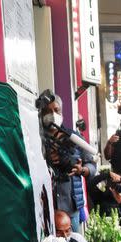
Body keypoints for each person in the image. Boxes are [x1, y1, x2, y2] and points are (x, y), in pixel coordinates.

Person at [39, 90, 97, 232]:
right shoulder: (37, 138)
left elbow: (92, 165)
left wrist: (81, 170)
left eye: (56, 110)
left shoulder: (74, 138)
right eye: (47, 111)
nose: (52, 114)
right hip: (46, 207)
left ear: (61, 113)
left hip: (71, 207)